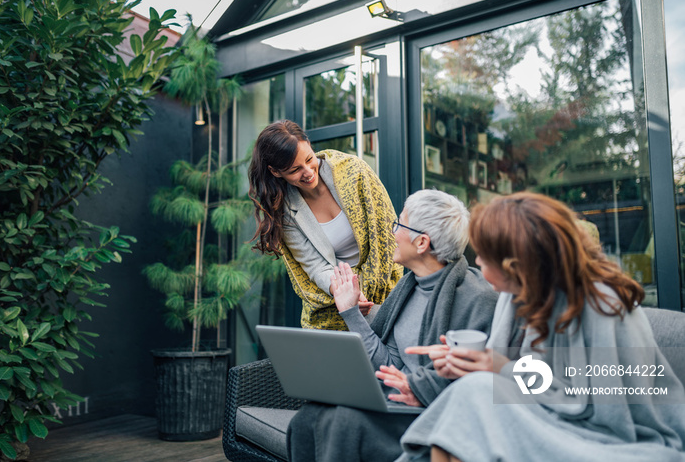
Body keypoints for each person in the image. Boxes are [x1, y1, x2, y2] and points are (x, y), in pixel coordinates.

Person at [401, 192, 685, 462]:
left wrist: (499, 367)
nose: (475, 262)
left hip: (604, 434)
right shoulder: (517, 298)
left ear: (514, 267)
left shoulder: (604, 308)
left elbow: (607, 413)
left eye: (484, 257)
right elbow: (516, 384)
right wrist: (467, 364)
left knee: (474, 394)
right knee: (470, 399)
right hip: (547, 414)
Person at [287, 189, 498, 462]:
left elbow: (482, 384)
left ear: (422, 243)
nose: (393, 231)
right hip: (394, 399)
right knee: (307, 418)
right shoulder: (406, 290)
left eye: (400, 223)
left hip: (427, 413)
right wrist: (351, 311)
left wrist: (420, 386)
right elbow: (388, 364)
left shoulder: (478, 299)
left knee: (345, 422)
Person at [248, 120, 403, 330]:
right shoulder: (285, 211)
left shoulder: (353, 173)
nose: (308, 172)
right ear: (276, 172)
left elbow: (386, 236)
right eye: (295, 170)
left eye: (309, 159)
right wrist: (346, 293)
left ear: (310, 145)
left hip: (385, 292)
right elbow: (315, 266)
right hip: (332, 307)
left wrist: (365, 290)